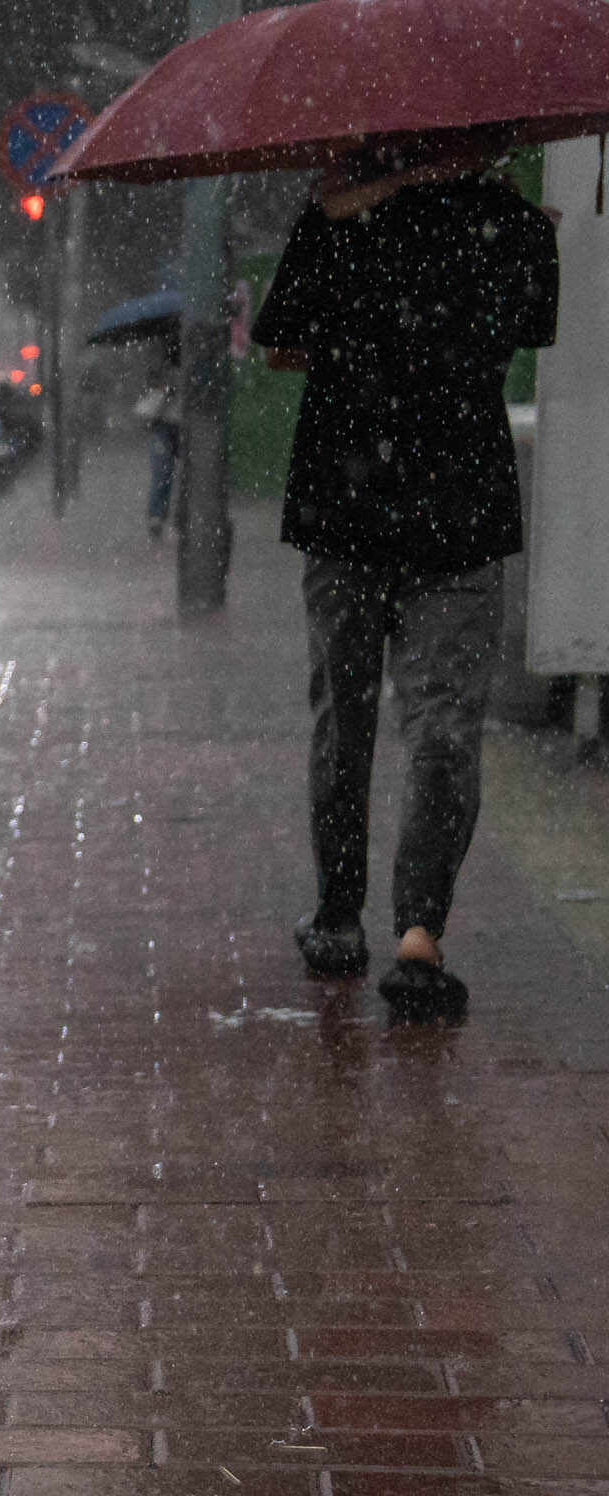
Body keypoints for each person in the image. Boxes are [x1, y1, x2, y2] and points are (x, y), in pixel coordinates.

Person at [252, 136, 557, 1023]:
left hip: (346, 501)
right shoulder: (511, 224)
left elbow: (279, 348)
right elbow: (522, 331)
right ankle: (420, 936)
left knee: (345, 719)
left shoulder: (334, 216)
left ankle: (340, 919)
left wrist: (361, 320)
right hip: (459, 510)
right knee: (444, 726)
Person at [137, 347, 183, 539]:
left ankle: (167, 517)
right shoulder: (157, 373)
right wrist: (166, 394)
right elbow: (148, 406)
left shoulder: (186, 374)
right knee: (163, 473)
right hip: (164, 426)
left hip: (179, 426)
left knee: (177, 474)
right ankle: (157, 516)